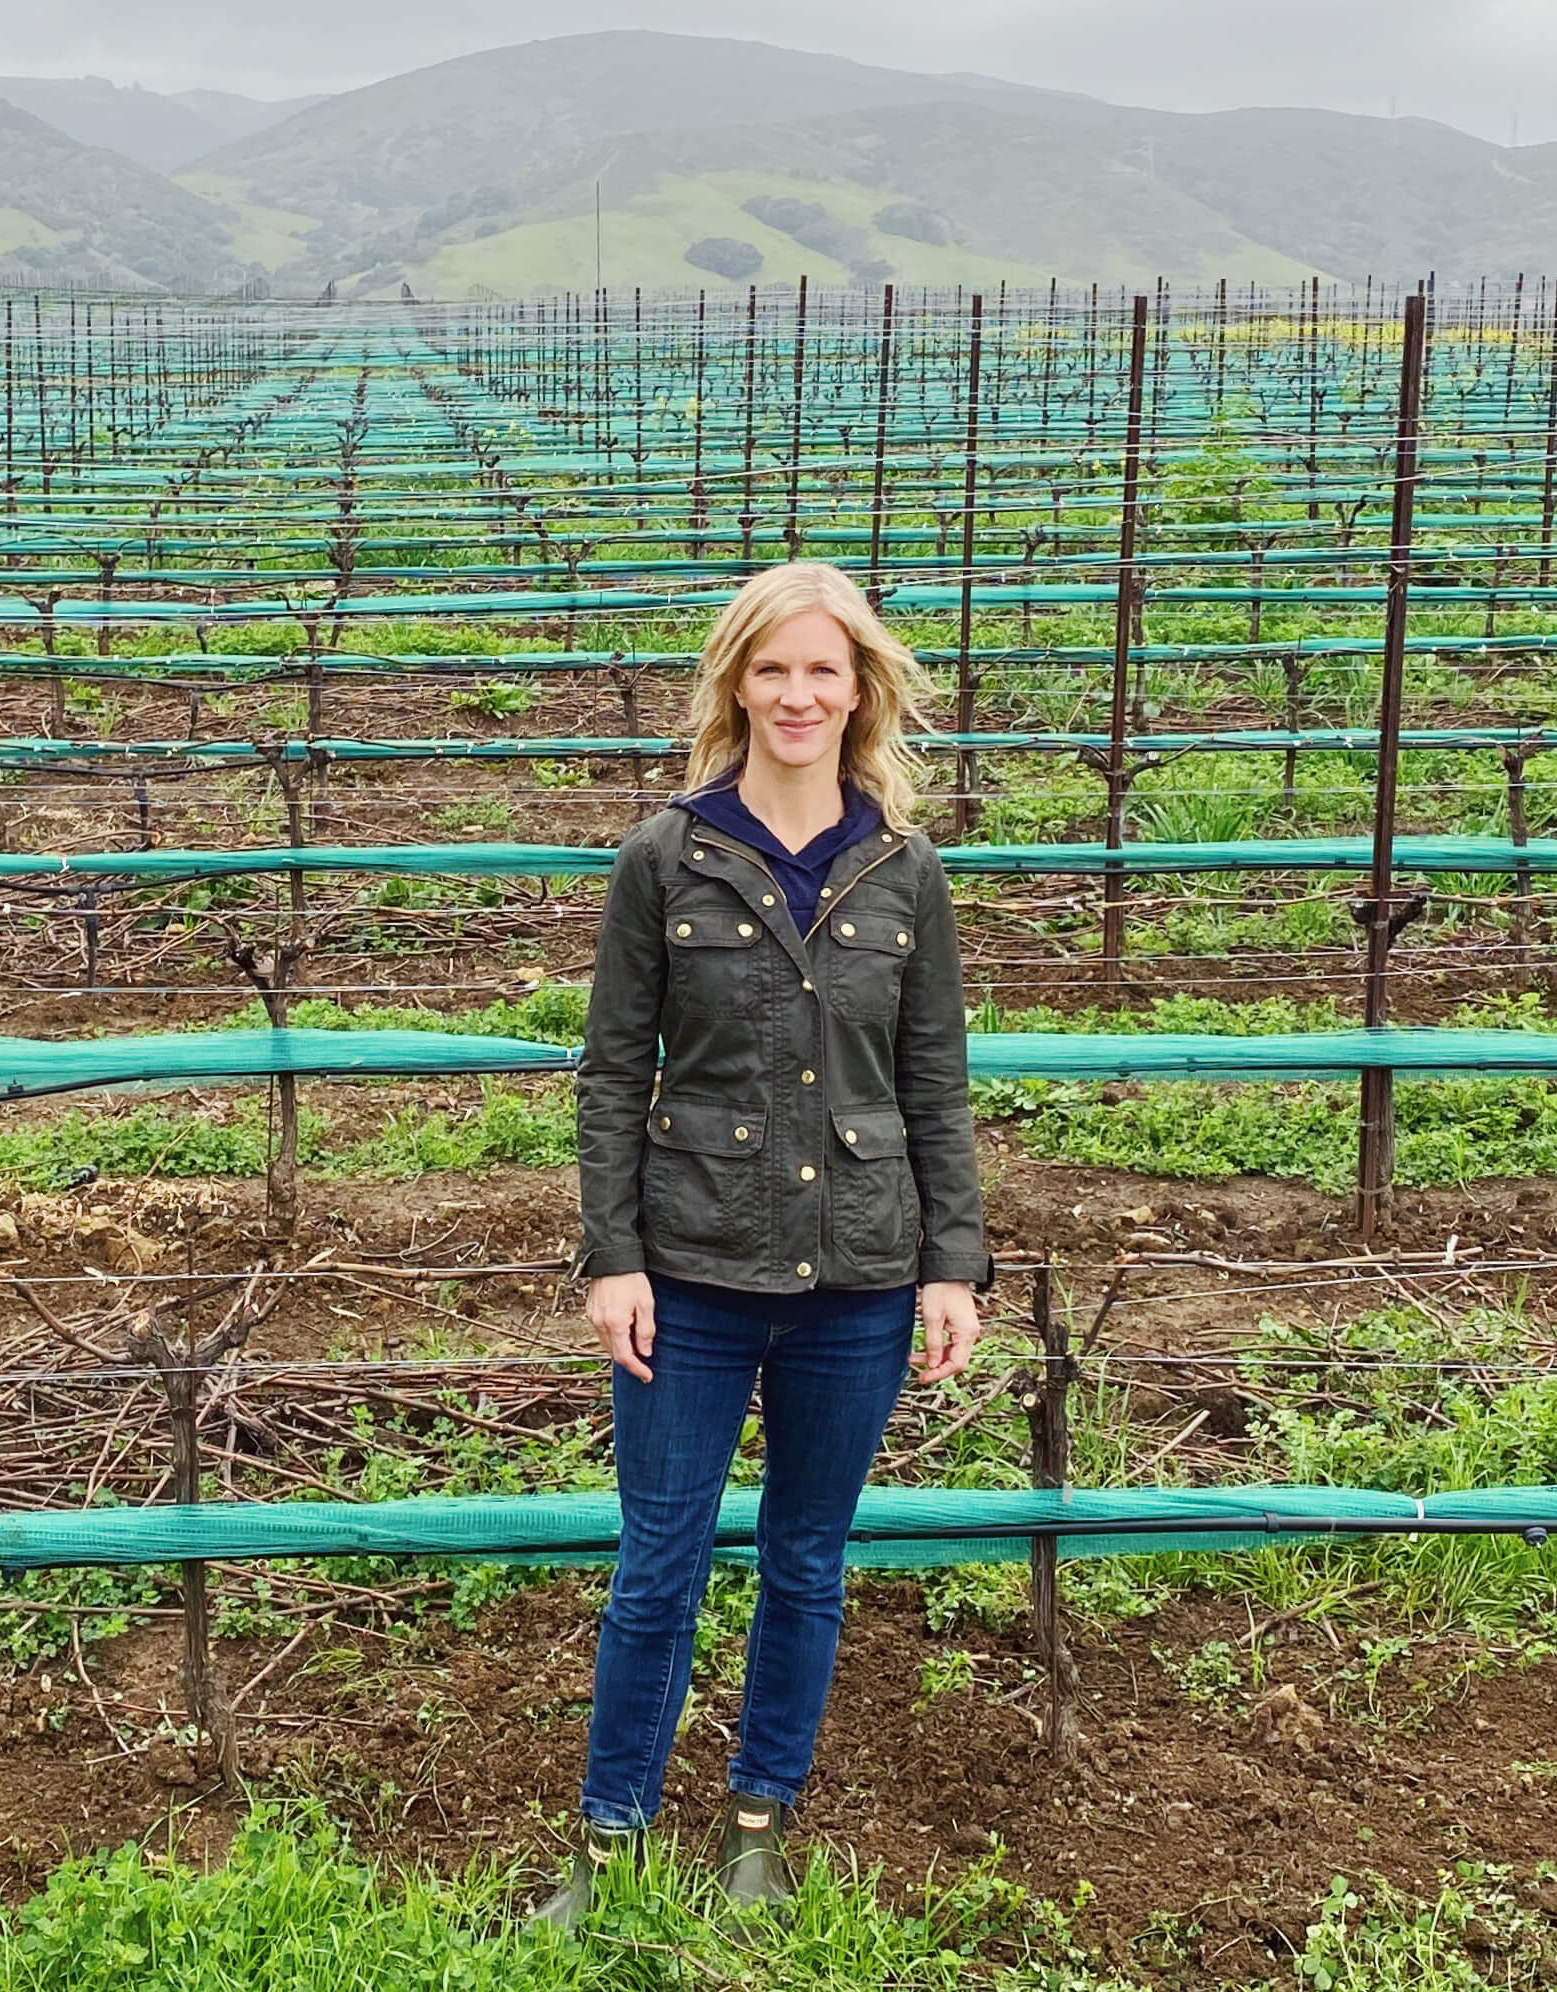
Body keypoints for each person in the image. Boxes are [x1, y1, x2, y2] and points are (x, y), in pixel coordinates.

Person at [544, 560, 989, 1925]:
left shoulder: (904, 872)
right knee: (657, 1561)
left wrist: (953, 1265)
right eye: (773, 669)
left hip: (858, 1273)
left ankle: (758, 1824)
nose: (797, 695)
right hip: (689, 1270)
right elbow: (615, 1074)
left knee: (806, 1556)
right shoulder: (664, 858)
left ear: (860, 695)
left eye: (824, 672)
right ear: (736, 684)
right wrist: (611, 1256)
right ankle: (607, 1838)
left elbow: (933, 1084)